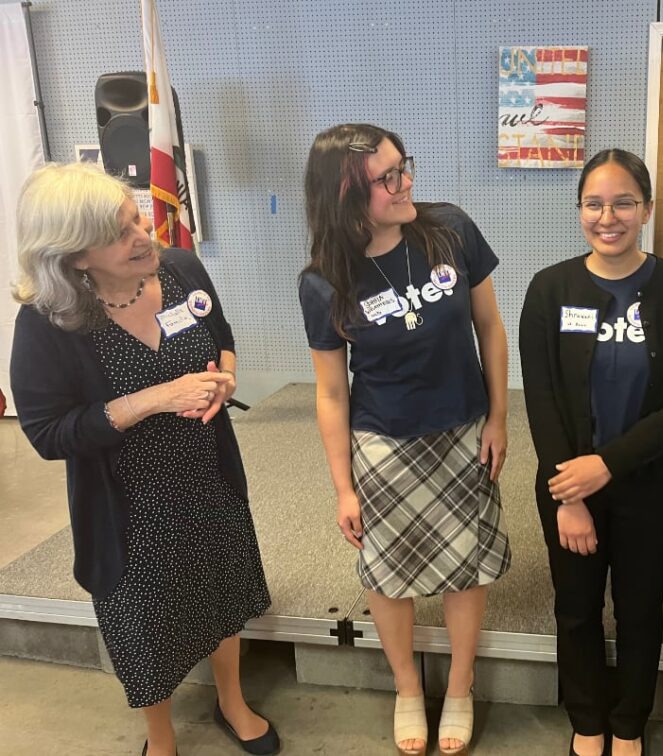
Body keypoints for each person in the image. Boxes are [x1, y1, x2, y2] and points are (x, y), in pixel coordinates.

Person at [9, 163, 277, 756]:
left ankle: (231, 699)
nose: (143, 236)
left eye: (136, 216)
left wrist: (224, 379)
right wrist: (155, 398)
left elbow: (222, 337)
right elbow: (48, 433)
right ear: (75, 257)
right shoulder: (48, 321)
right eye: (119, 232)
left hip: (208, 477)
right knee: (144, 623)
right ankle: (161, 736)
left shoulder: (180, 269)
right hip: (126, 503)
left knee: (222, 590)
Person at [298, 123, 511, 756]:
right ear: (344, 198)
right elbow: (331, 393)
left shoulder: (449, 230)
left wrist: (499, 417)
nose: (406, 182)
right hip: (383, 442)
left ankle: (462, 689)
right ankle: (407, 689)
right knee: (388, 574)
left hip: (463, 427)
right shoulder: (323, 282)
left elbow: (491, 329)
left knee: (464, 565)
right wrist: (343, 487)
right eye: (387, 178)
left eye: (403, 166)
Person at [520, 149, 663, 756]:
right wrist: (569, 495)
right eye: (594, 203)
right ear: (579, 209)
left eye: (624, 202)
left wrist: (606, 465)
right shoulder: (551, 288)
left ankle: (629, 724)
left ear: (648, 209)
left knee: (638, 611)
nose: (609, 216)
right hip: (565, 484)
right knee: (576, 609)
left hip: (648, 486)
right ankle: (587, 720)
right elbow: (543, 399)